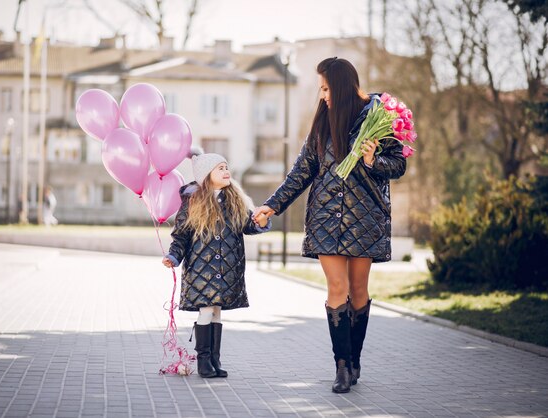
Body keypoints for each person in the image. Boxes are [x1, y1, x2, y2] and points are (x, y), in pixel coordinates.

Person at [253, 58, 407, 393]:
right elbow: (302, 171)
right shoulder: (322, 123)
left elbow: (398, 165)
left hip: (365, 218)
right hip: (325, 217)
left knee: (359, 290)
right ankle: (341, 367)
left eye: (325, 87)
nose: (322, 95)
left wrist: (372, 160)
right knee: (337, 290)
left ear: (339, 85)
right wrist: (272, 205)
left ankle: (355, 360)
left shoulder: (380, 115)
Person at [163, 153, 271, 378]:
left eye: (226, 166)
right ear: (206, 176)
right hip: (201, 269)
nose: (225, 171)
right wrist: (174, 257)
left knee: (216, 312)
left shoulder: (234, 201)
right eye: (219, 168)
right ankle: (203, 361)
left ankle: (214, 360)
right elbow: (181, 235)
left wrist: (261, 221)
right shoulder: (193, 203)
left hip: (227, 269)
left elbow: (247, 225)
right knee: (206, 310)